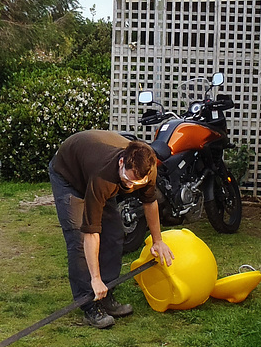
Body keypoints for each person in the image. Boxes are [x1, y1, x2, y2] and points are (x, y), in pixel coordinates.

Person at [49, 130, 174, 328]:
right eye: (127, 180)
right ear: (121, 162)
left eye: (136, 183)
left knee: (115, 234)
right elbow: (91, 233)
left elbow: (149, 202)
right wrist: (95, 278)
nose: (131, 186)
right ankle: (89, 304)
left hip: (93, 171)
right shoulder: (103, 176)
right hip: (69, 174)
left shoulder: (148, 168)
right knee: (78, 238)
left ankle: (106, 294)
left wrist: (158, 241)